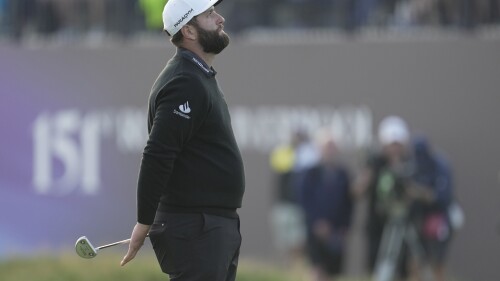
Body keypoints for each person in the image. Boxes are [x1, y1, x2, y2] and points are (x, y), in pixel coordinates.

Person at [120, 1, 246, 281]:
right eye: (210, 14)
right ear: (188, 30)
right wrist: (144, 222)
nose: (220, 19)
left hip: (208, 225)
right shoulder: (184, 81)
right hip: (195, 226)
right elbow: (157, 154)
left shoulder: (197, 75)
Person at [353, 115, 413, 279]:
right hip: (378, 224)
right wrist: (367, 173)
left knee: (402, 268)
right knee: (377, 267)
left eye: (397, 144)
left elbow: (414, 193)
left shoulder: (410, 164)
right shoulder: (375, 163)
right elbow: (357, 191)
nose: (394, 149)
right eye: (391, 144)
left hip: (403, 225)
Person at [297, 130, 353, 281]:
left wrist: (344, 227)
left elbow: (348, 203)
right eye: (327, 146)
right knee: (317, 269)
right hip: (316, 231)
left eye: (333, 146)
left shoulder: (343, 174)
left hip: (336, 232)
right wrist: (317, 223)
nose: (330, 150)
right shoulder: (311, 173)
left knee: (334, 272)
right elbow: (305, 200)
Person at [410, 136, 454, 281]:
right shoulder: (413, 165)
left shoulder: (440, 165)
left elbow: (442, 197)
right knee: (416, 259)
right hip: (419, 218)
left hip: (439, 218)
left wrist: (421, 193)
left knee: (437, 261)